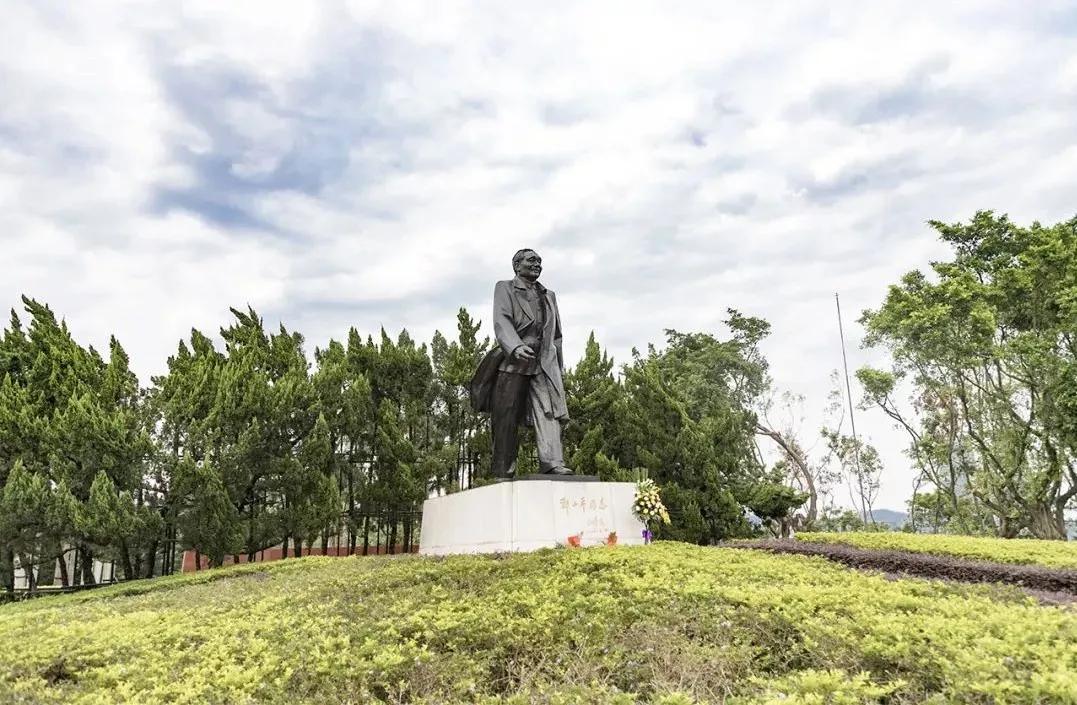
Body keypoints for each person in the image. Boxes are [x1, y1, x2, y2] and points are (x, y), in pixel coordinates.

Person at [486, 248, 572, 478]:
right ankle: (503, 470)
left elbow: (556, 335)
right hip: (514, 360)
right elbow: (501, 319)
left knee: (549, 411)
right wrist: (514, 346)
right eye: (531, 260)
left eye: (539, 261)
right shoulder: (504, 287)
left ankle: (552, 462)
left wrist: (557, 367)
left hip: (543, 361)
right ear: (517, 265)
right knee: (506, 417)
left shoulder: (548, 295)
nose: (537, 264)